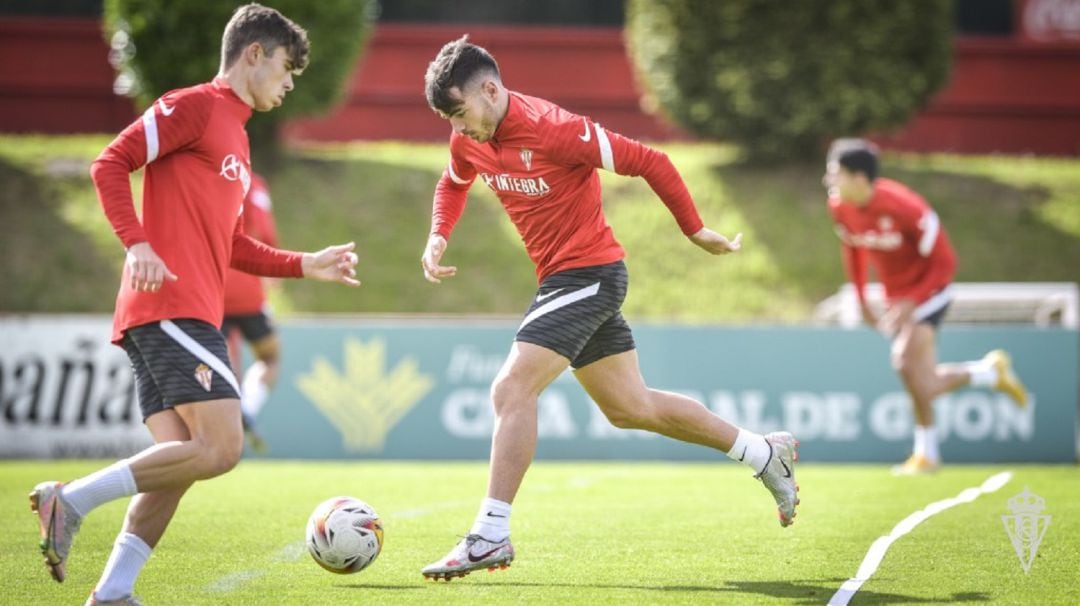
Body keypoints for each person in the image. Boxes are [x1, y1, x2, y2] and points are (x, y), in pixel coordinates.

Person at [418, 35, 800, 581]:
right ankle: (764, 454)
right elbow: (452, 183)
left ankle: (490, 534)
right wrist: (438, 235)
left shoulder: (554, 128)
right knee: (630, 408)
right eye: (449, 121)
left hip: (590, 274)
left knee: (510, 389)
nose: (458, 129)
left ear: (490, 89)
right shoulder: (468, 140)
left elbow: (650, 160)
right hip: (561, 279)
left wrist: (694, 230)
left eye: (460, 114)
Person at [29, 5, 359, 604]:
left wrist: (304, 263)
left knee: (180, 466)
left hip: (178, 313)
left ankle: (112, 594)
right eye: (286, 69)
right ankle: (69, 501)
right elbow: (109, 162)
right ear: (253, 54)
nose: (289, 84)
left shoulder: (236, 133)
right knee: (221, 448)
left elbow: (231, 243)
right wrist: (137, 243)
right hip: (170, 306)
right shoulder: (195, 106)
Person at [822, 138, 1028, 476]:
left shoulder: (907, 209)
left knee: (904, 361)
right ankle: (987, 374)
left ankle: (927, 453)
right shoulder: (839, 205)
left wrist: (912, 301)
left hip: (931, 291)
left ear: (859, 179)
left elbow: (946, 263)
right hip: (898, 296)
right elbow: (853, 248)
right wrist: (861, 299)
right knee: (921, 379)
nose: (829, 181)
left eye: (835, 174)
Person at [222, 171, 280, 453]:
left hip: (213, 288)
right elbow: (265, 232)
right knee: (269, 357)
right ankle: (248, 405)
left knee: (221, 365)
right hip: (249, 289)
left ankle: (230, 412)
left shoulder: (208, 176)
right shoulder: (255, 183)